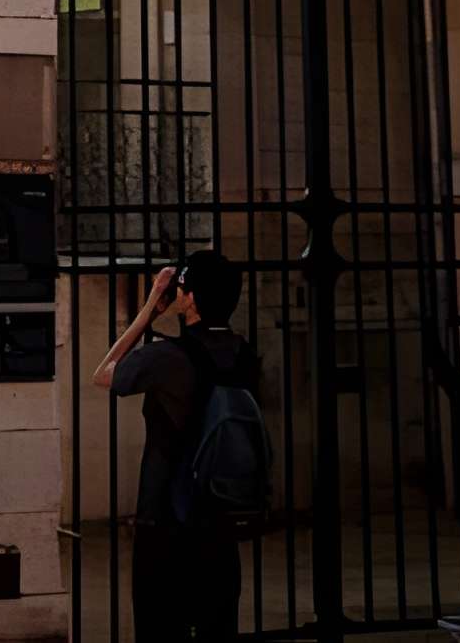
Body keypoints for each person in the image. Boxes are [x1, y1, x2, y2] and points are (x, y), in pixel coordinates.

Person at [92, 250, 258, 643]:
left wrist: (150, 308)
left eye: (183, 287)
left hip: (167, 519)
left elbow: (103, 374)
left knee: (161, 628)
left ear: (191, 299)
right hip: (220, 515)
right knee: (218, 627)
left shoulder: (169, 357)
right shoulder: (244, 354)